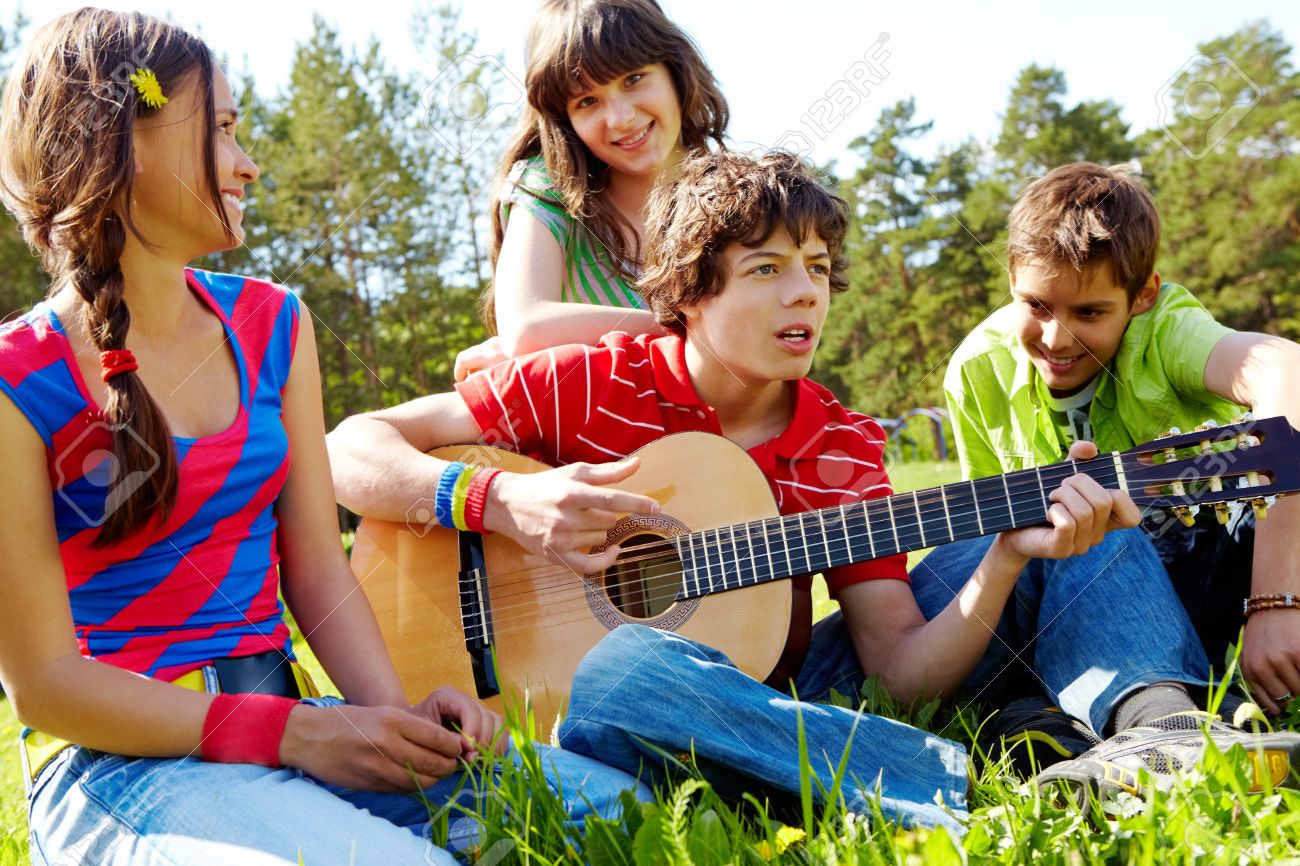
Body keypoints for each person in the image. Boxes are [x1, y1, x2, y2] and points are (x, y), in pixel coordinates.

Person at [328, 150, 1290, 827]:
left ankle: (1158, 738)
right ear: (690, 291)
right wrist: (495, 503)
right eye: (768, 270)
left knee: (1072, 501)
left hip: (781, 693)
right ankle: (971, 786)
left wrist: (1003, 559)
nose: (807, 296)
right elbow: (350, 448)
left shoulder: (840, 444)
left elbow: (897, 673)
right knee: (622, 668)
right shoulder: (594, 377)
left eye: (820, 270)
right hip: (598, 709)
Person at [0, 11, 642, 865]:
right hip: (120, 769)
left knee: (618, 817)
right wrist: (293, 736)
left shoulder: (273, 325)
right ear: (124, 142)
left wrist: (395, 717)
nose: (246, 162)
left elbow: (313, 565)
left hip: (294, 729)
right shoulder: (17, 379)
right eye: (222, 130)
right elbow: (45, 686)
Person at [943, 162, 1300, 719]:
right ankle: (1132, 707)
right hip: (1070, 608)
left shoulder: (1164, 329)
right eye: (1035, 305)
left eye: (1089, 312)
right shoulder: (975, 371)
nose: (1056, 338)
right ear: (1011, 279)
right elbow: (989, 544)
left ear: (1142, 296)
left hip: (1203, 569)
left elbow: (1287, 370)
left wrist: (1276, 602)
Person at [453, 0, 728, 380]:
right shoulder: (548, 190)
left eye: (633, 79)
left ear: (675, 70)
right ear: (564, 120)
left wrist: (565, 339)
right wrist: (696, 332)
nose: (621, 118)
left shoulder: (736, 198)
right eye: (587, 101)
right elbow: (527, 328)